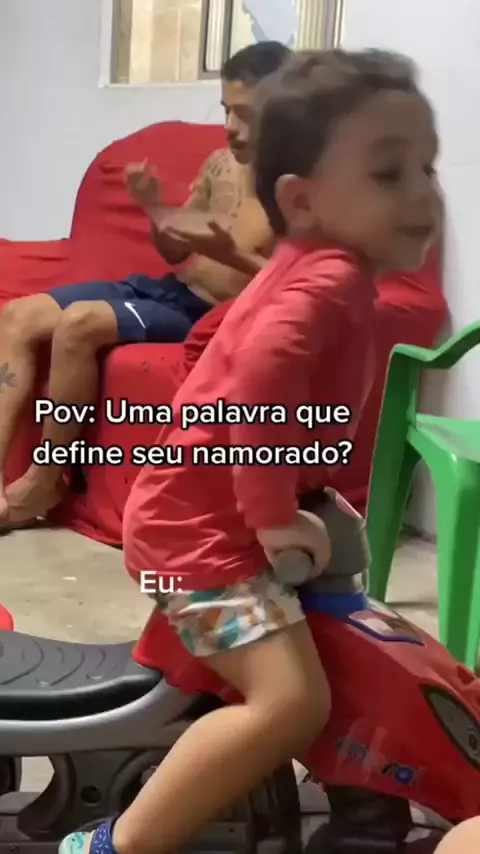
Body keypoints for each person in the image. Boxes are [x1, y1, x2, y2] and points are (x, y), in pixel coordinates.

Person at [59, 48, 439, 854]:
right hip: (203, 541)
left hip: (220, 515)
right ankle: (114, 845)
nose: (422, 195)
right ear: (302, 199)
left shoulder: (320, 263)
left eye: (426, 168)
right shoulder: (320, 287)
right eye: (388, 174)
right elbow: (254, 399)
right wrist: (271, 519)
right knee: (290, 704)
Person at [0, 41, 290, 529]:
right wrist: (157, 210)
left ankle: (43, 482)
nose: (230, 126)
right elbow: (174, 251)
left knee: (79, 323)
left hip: (209, 318)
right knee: (18, 315)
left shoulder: (299, 189)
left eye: (245, 114)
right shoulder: (221, 164)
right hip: (167, 290)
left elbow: (298, 286)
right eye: (226, 110)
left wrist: (229, 255)